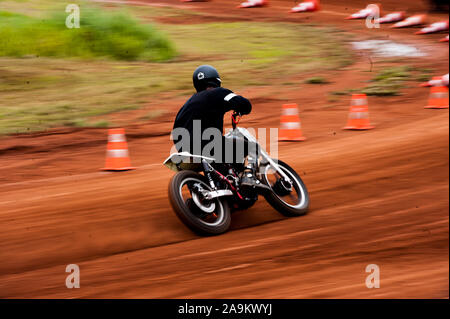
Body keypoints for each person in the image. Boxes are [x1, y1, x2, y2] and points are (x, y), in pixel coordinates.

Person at [172, 65, 269, 192]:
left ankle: (200, 191)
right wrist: (243, 108)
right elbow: (242, 103)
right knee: (251, 147)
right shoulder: (218, 92)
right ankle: (249, 176)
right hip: (208, 144)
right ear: (216, 80)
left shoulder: (187, 104)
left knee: (221, 165)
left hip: (182, 148)